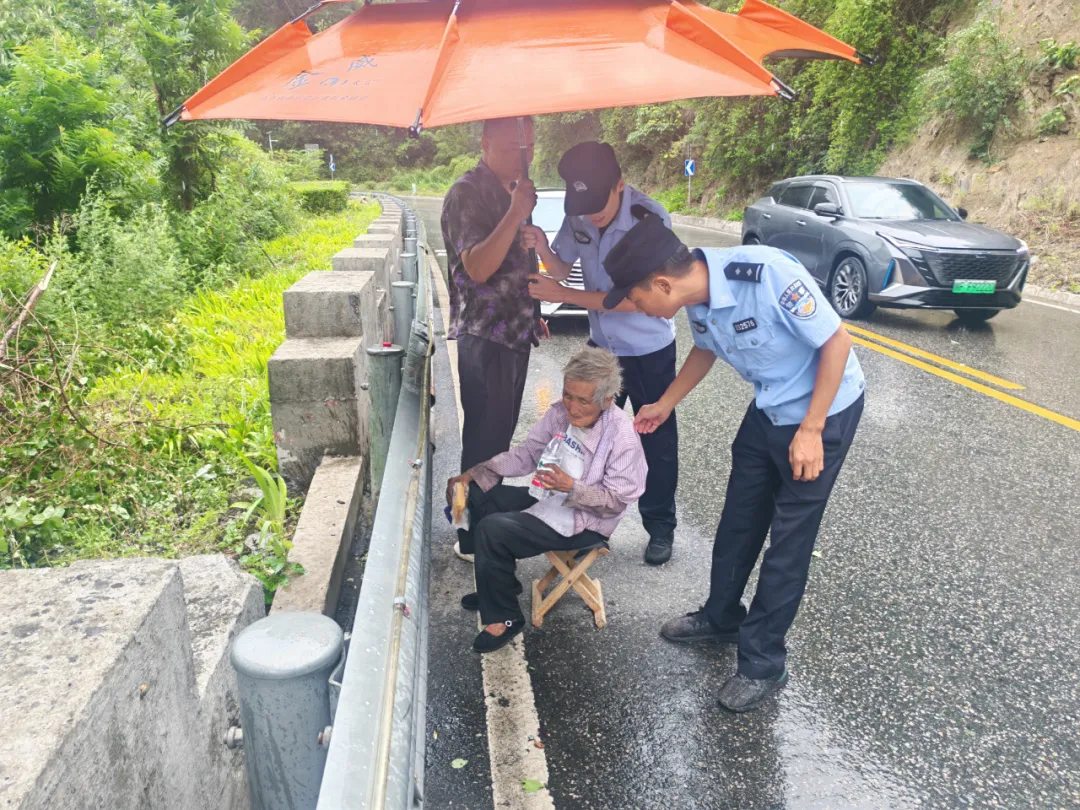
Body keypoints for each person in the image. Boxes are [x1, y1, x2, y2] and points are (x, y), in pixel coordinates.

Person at [600, 215, 865, 713]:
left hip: (821, 412)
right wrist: (665, 402)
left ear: (662, 283)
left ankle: (763, 662)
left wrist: (811, 431)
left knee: (788, 538)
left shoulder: (765, 276)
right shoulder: (699, 294)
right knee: (740, 517)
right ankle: (721, 616)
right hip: (769, 406)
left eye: (636, 299)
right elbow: (706, 349)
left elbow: (837, 342)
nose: (635, 308)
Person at [520, 142, 679, 566]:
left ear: (620, 185)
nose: (591, 215)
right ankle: (582, 526)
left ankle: (660, 528)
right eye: (583, 206)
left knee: (655, 442)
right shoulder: (579, 211)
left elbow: (639, 300)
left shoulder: (650, 217)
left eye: (599, 205)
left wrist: (564, 295)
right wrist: (541, 247)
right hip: (602, 347)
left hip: (648, 349)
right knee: (580, 435)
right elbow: (560, 268)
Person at [446, 348, 647, 653]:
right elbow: (526, 456)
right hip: (550, 497)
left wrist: (572, 487)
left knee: (492, 529)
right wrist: (473, 474)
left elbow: (617, 501)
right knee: (477, 493)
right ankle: (500, 587)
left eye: (583, 400)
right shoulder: (558, 413)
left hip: (585, 520)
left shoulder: (622, 436)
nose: (573, 407)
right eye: (568, 395)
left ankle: (505, 618)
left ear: (607, 400)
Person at [441, 117, 548, 562]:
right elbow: (479, 268)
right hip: (485, 336)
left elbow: (517, 260)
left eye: (526, 148)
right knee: (485, 440)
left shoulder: (514, 189)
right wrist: (515, 212)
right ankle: (470, 533)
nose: (519, 158)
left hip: (514, 332)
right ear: (485, 144)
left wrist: (534, 311)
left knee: (499, 439)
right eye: (508, 148)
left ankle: (480, 522)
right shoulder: (467, 193)